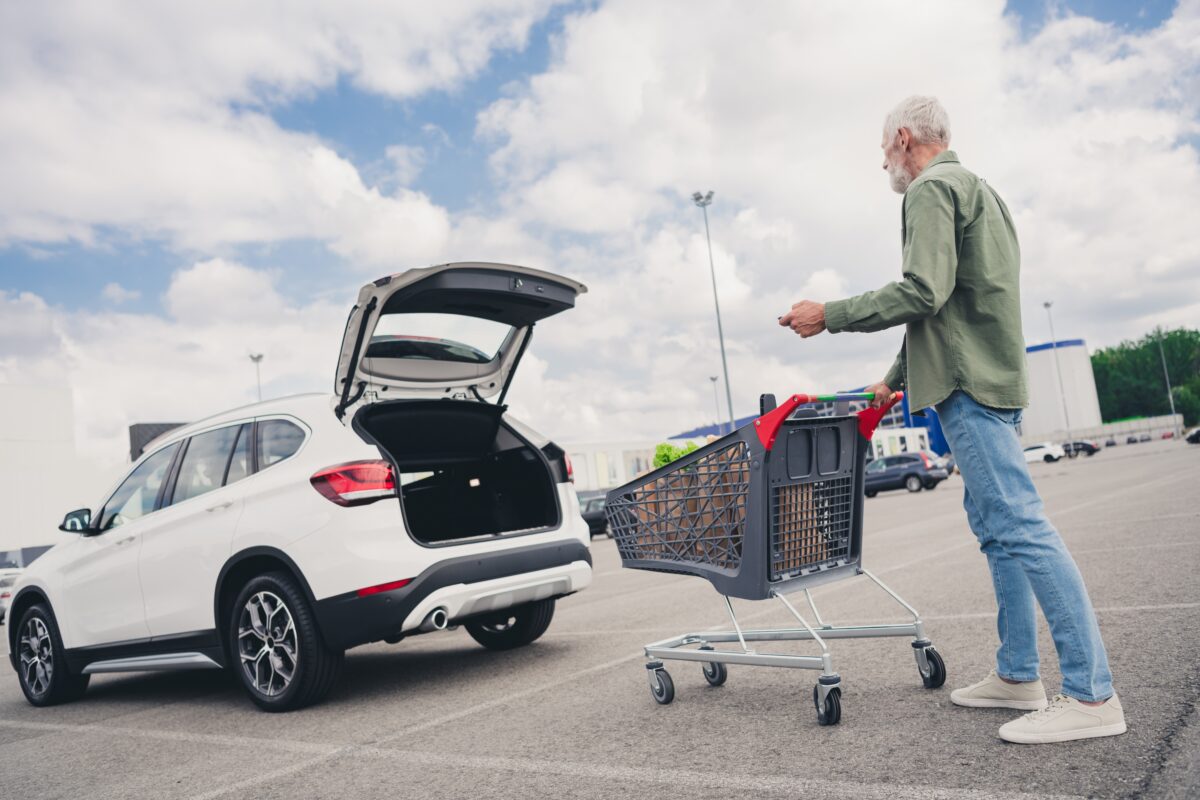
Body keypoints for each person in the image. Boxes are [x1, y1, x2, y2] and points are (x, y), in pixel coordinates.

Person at [777, 95, 1125, 744]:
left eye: (884, 153)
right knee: (998, 531)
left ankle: (1091, 693)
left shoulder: (929, 190)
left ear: (904, 138)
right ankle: (1018, 672)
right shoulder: (981, 191)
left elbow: (921, 292)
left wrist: (831, 314)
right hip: (991, 376)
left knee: (1019, 525)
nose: (886, 166)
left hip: (966, 387)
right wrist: (890, 383)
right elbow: (948, 309)